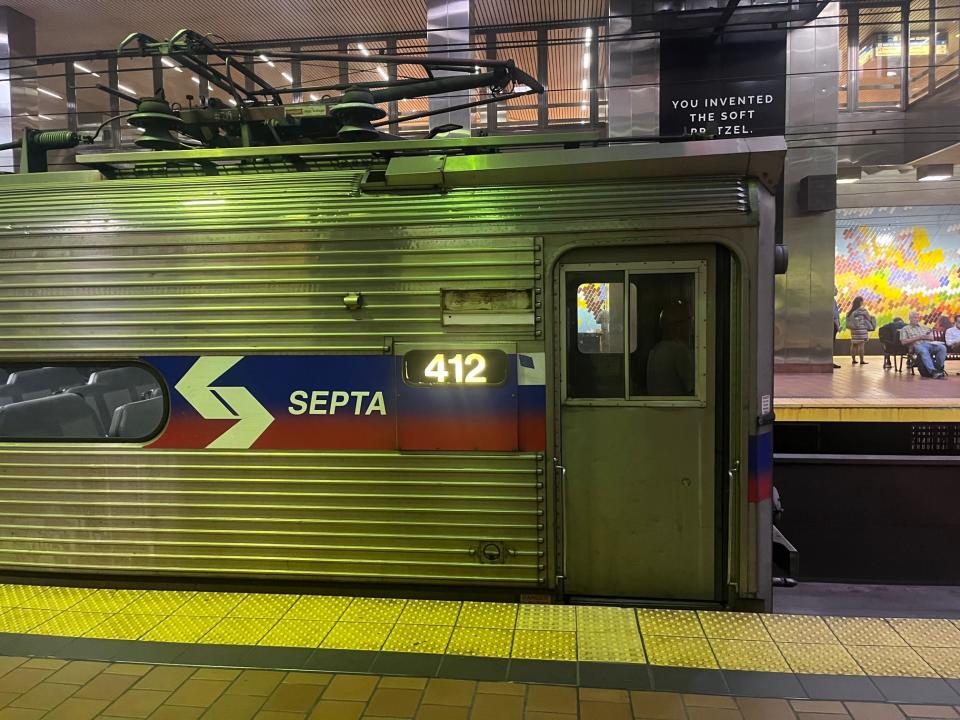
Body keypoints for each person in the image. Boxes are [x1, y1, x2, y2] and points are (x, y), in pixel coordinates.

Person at [647, 301, 694, 396]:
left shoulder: (655, 350)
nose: (690, 326)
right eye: (687, 321)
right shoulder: (679, 350)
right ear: (676, 325)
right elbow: (693, 389)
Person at [900, 311, 947, 378]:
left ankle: (939, 369)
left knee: (942, 347)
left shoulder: (924, 327)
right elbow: (903, 342)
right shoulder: (905, 329)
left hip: (929, 343)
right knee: (923, 350)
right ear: (910, 318)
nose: (917, 319)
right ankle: (932, 371)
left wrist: (929, 337)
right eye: (915, 318)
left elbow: (932, 337)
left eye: (918, 318)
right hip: (917, 345)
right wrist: (919, 337)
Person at [845, 296, 876, 366]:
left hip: (854, 330)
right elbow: (868, 318)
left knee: (854, 344)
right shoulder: (863, 310)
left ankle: (853, 360)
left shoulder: (851, 311)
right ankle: (861, 360)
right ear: (860, 302)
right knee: (861, 345)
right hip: (861, 329)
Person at [833, 290, 842, 369]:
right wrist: (838, 326)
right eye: (835, 289)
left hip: (833, 325)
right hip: (832, 325)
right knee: (831, 343)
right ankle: (829, 361)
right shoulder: (831, 301)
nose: (836, 291)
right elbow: (835, 315)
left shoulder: (833, 300)